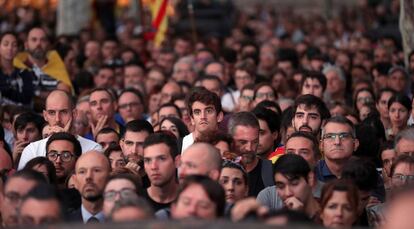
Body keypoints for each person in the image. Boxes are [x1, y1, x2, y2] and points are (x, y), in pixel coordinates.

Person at [18, 90, 101, 170]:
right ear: (45, 115)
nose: (57, 119)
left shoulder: (93, 149)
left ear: (74, 114)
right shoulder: (32, 150)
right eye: (52, 113)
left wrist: (67, 140)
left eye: (63, 112)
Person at [13, 27, 72, 99]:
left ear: (48, 44)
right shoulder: (16, 64)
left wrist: (37, 94)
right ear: (26, 45)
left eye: (43, 40)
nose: (38, 44)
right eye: (34, 40)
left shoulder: (56, 63)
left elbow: (65, 92)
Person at [227, 112, 274, 196]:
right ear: (230, 140)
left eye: (255, 142)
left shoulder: (271, 173)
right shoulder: (218, 172)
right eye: (243, 142)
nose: (249, 148)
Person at [68, 151, 111, 223]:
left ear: (109, 177)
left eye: (96, 170)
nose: (88, 177)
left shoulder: (126, 223)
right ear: (75, 180)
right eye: (82, 172)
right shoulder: (62, 224)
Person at [142, 132, 179, 211]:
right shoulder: (136, 202)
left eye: (162, 159)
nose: (153, 167)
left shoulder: (191, 202)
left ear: (177, 161)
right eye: (148, 160)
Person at [315, 116, 359, 182]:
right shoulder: (311, 174)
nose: (337, 142)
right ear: (321, 145)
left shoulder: (368, 173)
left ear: (355, 144)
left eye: (344, 136)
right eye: (330, 136)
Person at [181, 87, 223, 153]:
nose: (203, 117)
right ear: (192, 119)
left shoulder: (229, 145)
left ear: (219, 116)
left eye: (208, 111)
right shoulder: (180, 145)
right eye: (197, 112)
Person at [0, 32, 34, 106]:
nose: (10, 48)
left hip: (22, 114)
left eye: (14, 45)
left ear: (18, 49)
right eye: (6, 44)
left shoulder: (24, 73)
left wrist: (5, 90)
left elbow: (27, 99)